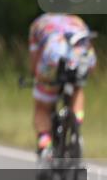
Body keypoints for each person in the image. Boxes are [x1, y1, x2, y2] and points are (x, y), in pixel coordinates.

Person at [28, 13, 97, 164]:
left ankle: (45, 144)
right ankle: (75, 129)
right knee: (77, 88)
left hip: (53, 57)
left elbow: (35, 59)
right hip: (81, 58)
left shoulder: (38, 24)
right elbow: (88, 48)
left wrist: (37, 78)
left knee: (43, 107)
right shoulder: (77, 20)